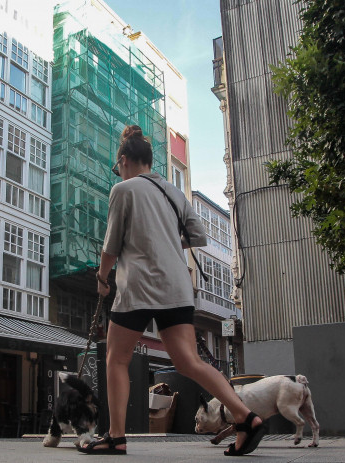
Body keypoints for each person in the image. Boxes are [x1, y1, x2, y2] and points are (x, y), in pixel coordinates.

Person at [78, 125, 267, 457]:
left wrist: (103, 278)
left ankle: (116, 436)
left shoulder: (124, 190)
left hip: (138, 285)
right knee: (189, 361)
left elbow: (111, 246)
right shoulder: (174, 193)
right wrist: (167, 240)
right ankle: (245, 417)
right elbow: (198, 236)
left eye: (117, 166)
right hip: (176, 285)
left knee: (117, 358)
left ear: (124, 160)